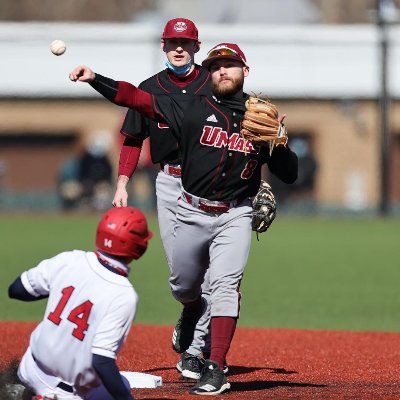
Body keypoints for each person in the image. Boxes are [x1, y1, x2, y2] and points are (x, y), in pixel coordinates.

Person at [69, 42, 298, 395]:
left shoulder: (260, 119)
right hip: (191, 209)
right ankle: (191, 310)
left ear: (245, 71)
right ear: (208, 72)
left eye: (230, 65)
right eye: (216, 66)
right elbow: (136, 98)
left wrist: (280, 144)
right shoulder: (189, 107)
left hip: (235, 213)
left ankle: (216, 367)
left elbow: (290, 174)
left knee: (224, 288)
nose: (223, 70)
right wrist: (95, 79)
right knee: (184, 285)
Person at [114, 18, 214, 380]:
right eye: (173, 41)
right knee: (181, 275)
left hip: (210, 184)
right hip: (170, 184)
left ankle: (195, 351)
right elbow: (132, 138)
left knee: (212, 274)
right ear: (163, 45)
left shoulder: (212, 85)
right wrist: (122, 182)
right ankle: (190, 310)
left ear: (196, 47)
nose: (179, 48)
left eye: (185, 43)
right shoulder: (150, 89)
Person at [8, 207, 153, 399]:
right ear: (138, 248)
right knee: (122, 387)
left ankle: (23, 389)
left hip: (30, 369)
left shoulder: (70, 259)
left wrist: (62, 292)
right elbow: (101, 361)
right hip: (68, 390)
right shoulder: (124, 294)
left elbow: (16, 290)